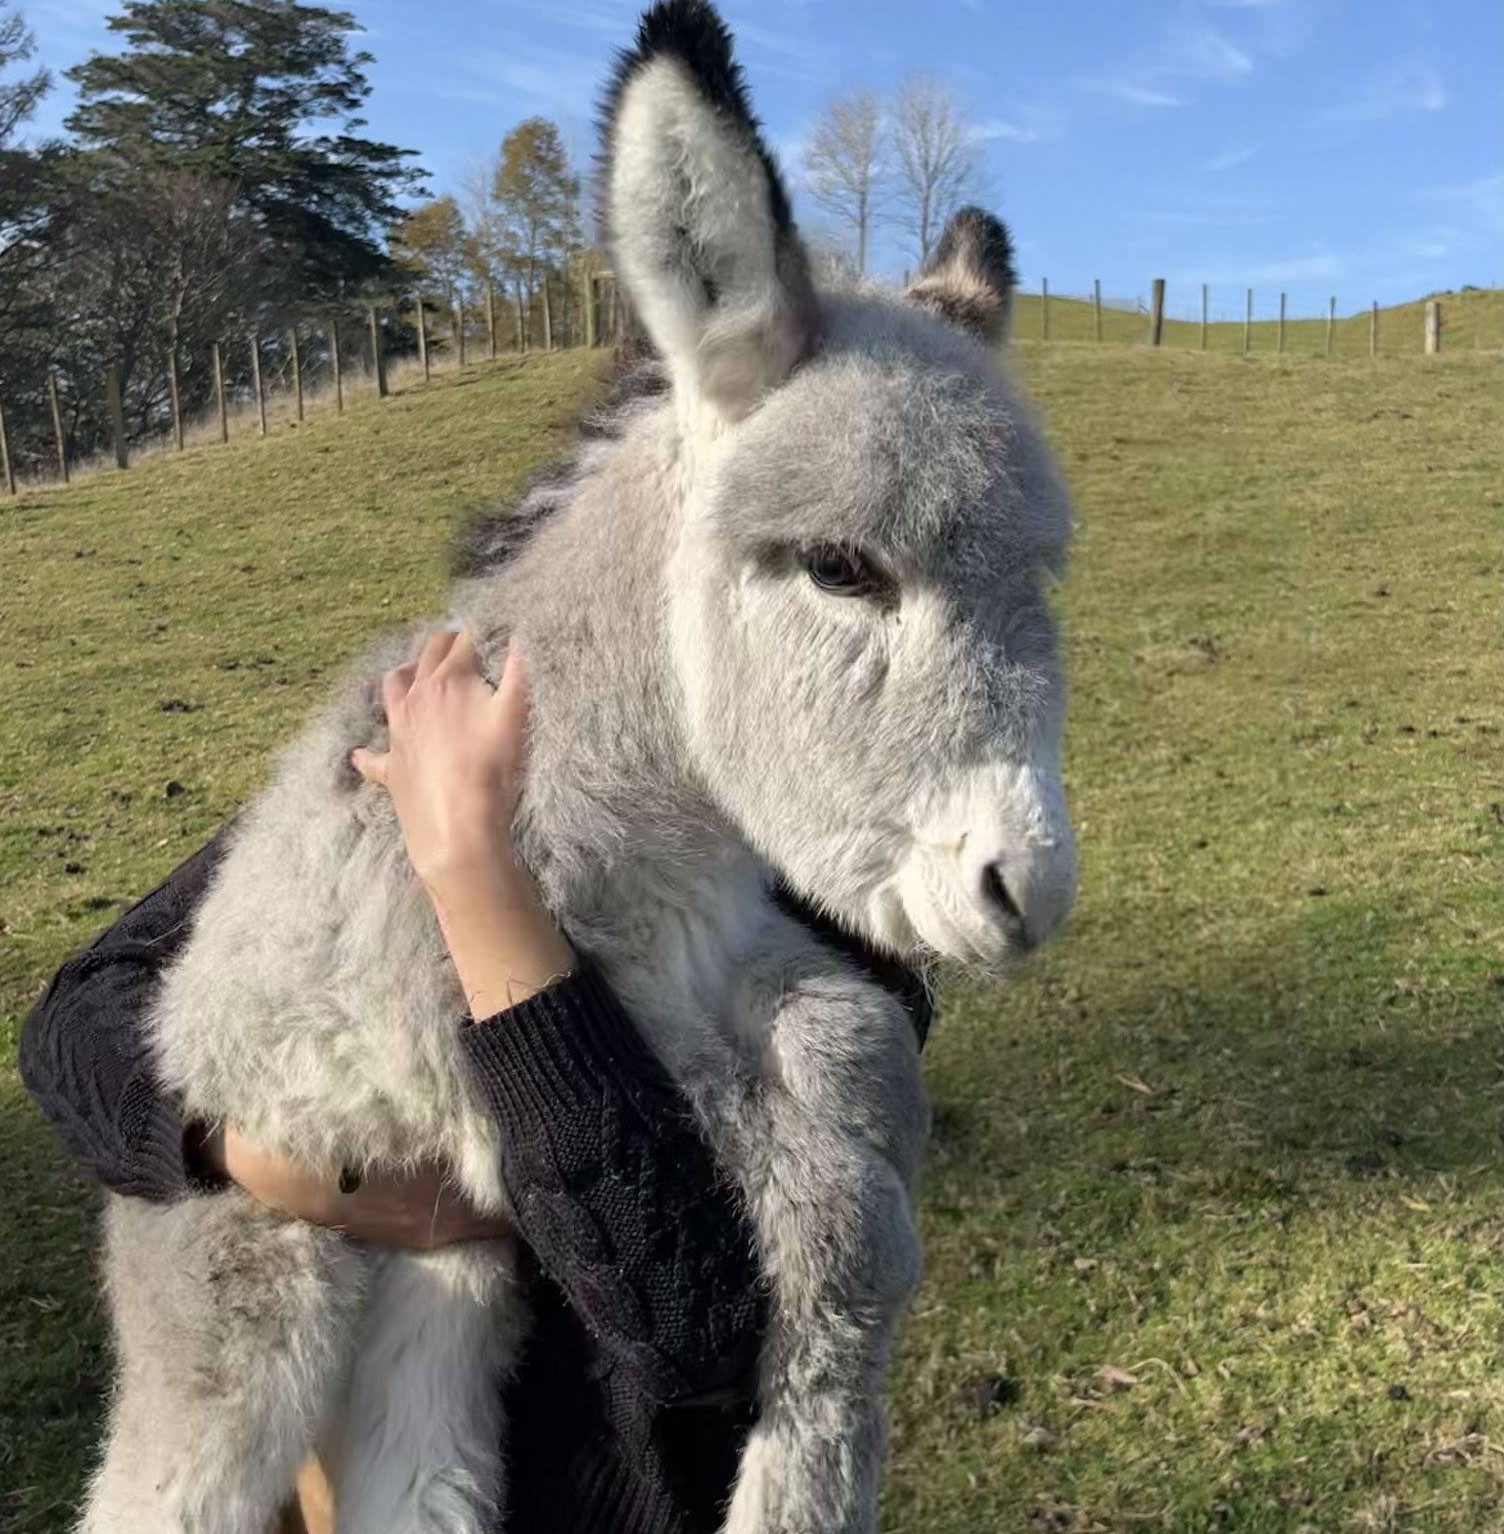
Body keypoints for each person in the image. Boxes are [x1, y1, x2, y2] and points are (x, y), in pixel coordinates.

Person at [20, 630, 931, 1534]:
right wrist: (275, 1164)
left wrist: (475, 874)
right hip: (312, 1459)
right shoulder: (480, 700)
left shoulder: (842, 916)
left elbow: (690, 1323)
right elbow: (81, 1017)